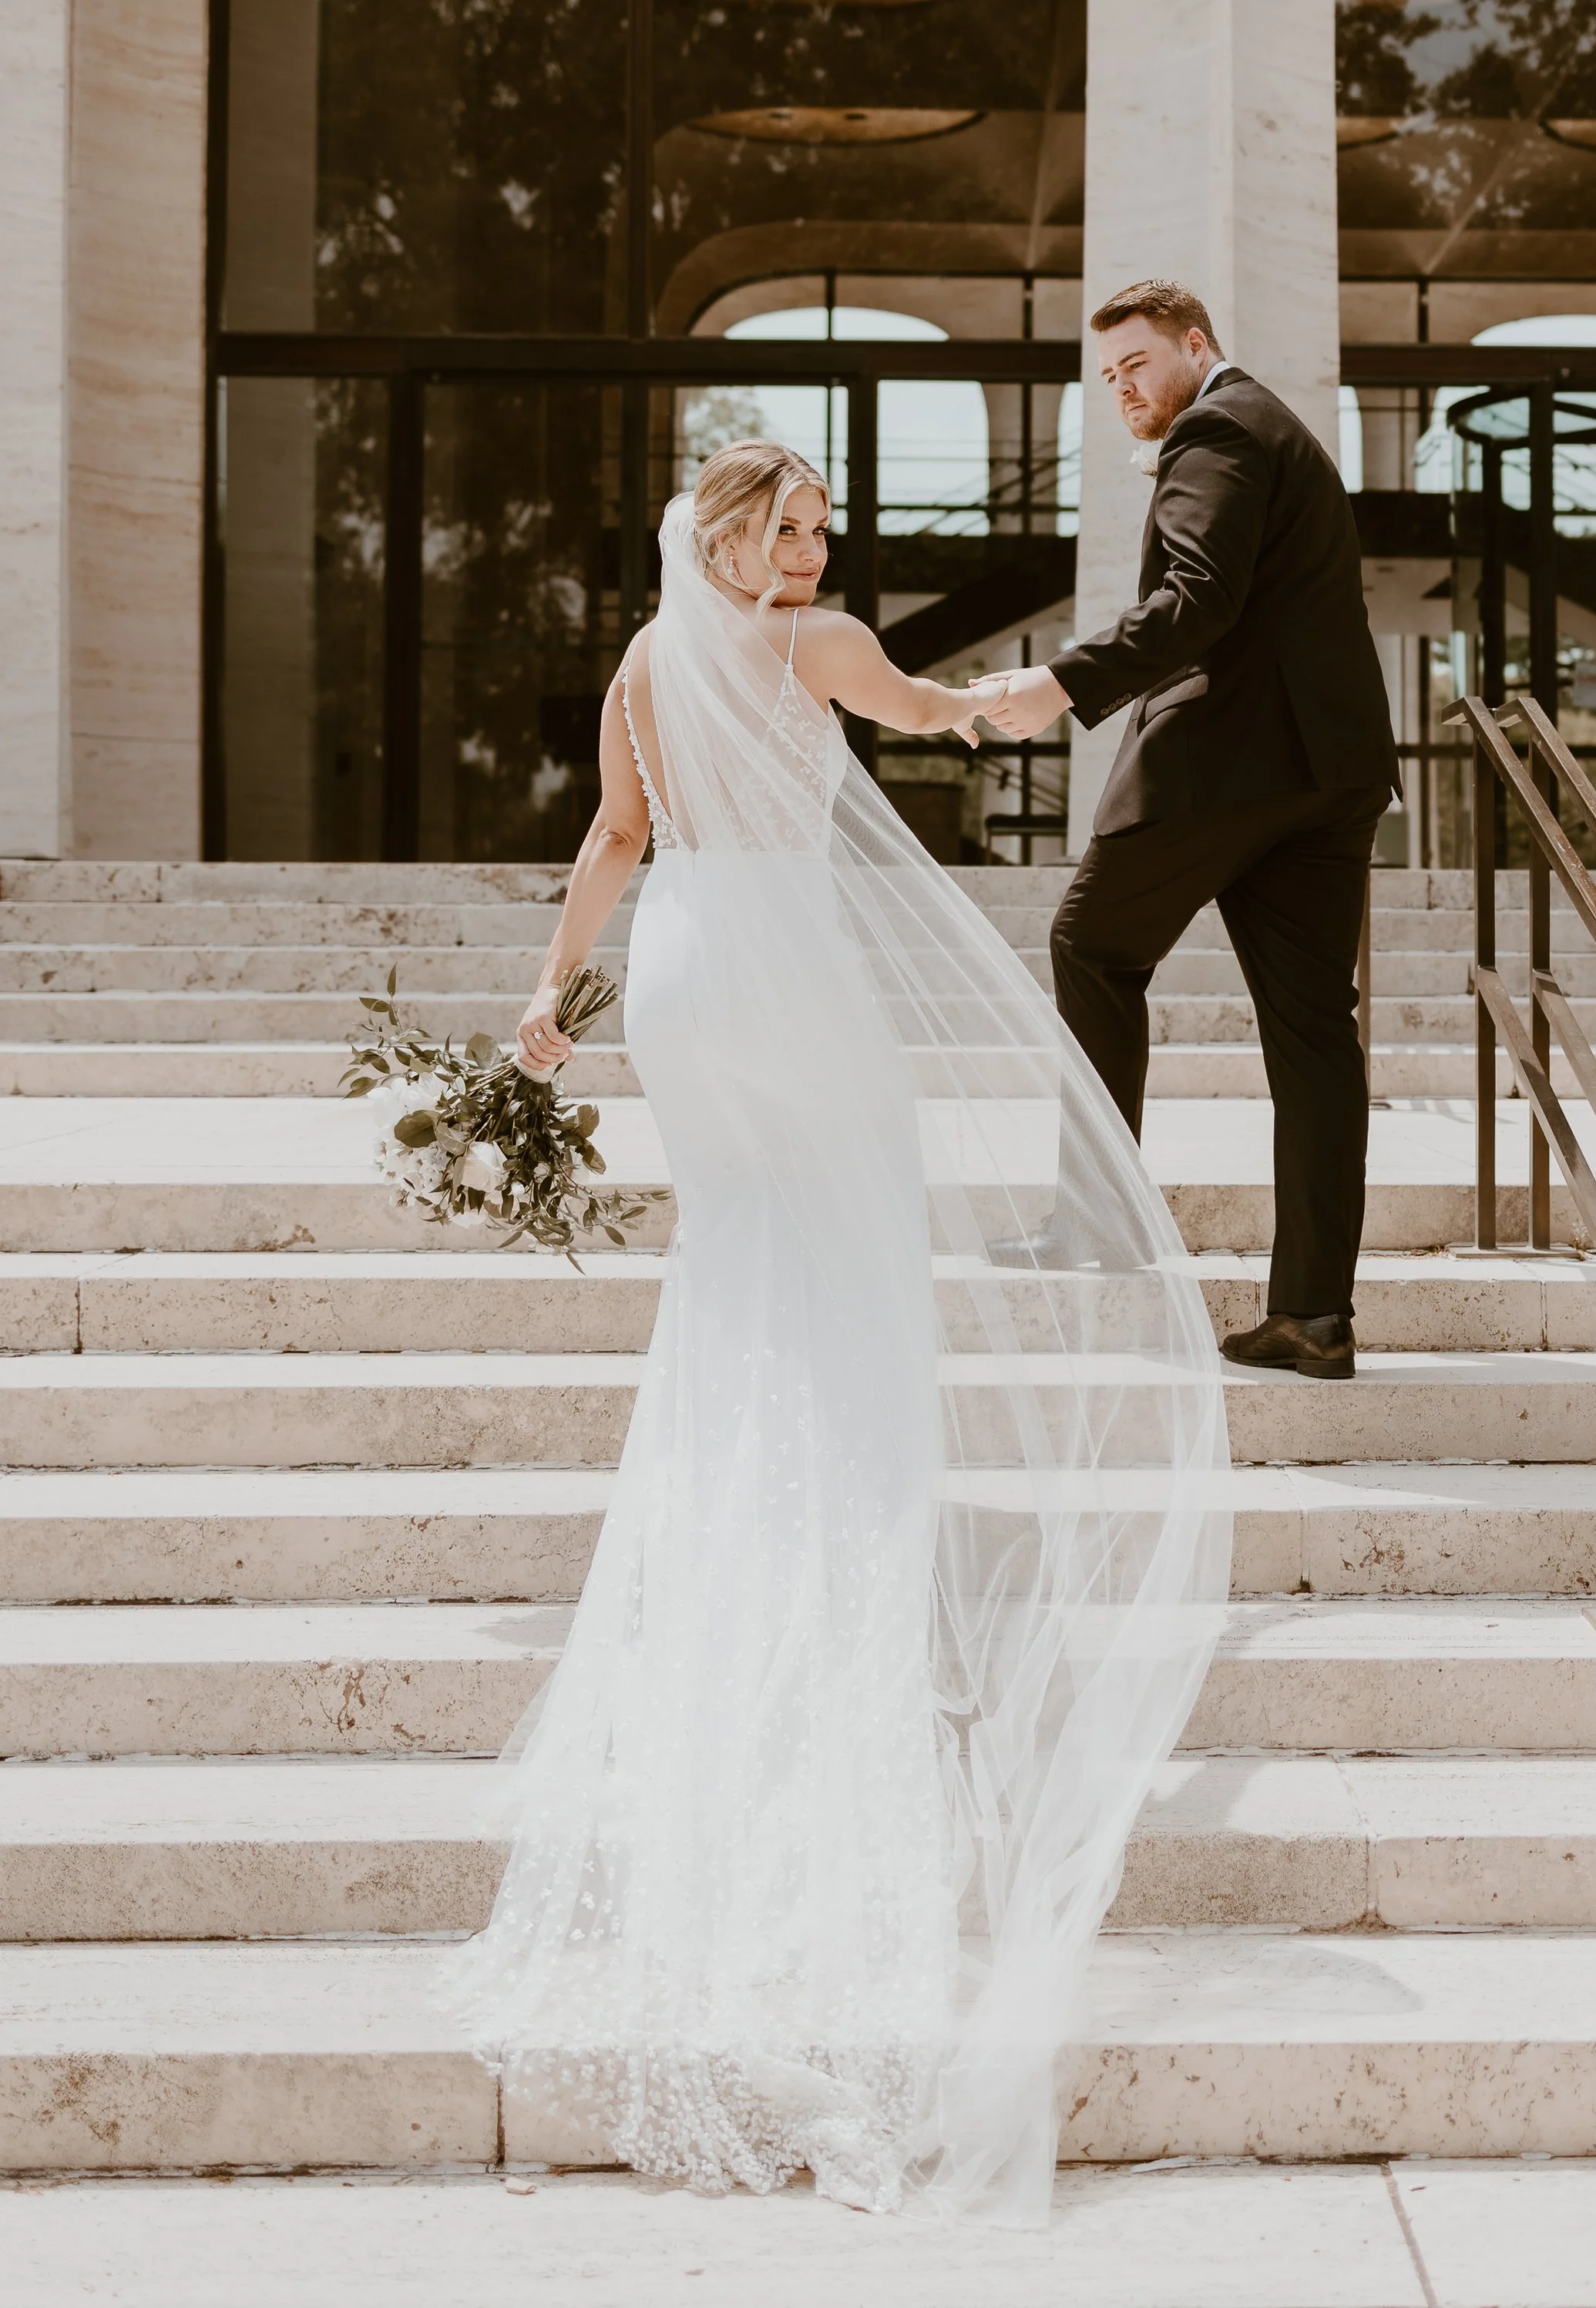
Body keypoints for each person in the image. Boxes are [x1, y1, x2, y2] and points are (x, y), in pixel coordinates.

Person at [448, 441, 1231, 2224]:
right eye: (787, 525)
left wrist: (546, 1006)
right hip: (782, 958)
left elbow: (613, 841)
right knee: (852, 1248)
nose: (809, 548)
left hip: (680, 966)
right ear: (726, 530)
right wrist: (1026, 700)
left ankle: (764, 1478)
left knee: (744, 1260)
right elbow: (934, 716)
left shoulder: (646, 664)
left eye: (817, 530)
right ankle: (856, 1500)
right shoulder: (812, 646)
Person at [976, 282, 1398, 1382]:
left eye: (1137, 362)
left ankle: (1100, 1221)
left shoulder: (1216, 427)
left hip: (1229, 765)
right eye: (1108, 375)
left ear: (1195, 344)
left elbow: (1199, 600)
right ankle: (1312, 1314)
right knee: (1313, 1032)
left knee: (1090, 946)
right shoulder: (1272, 428)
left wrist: (1063, 681)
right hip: (1327, 770)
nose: (1123, 387)